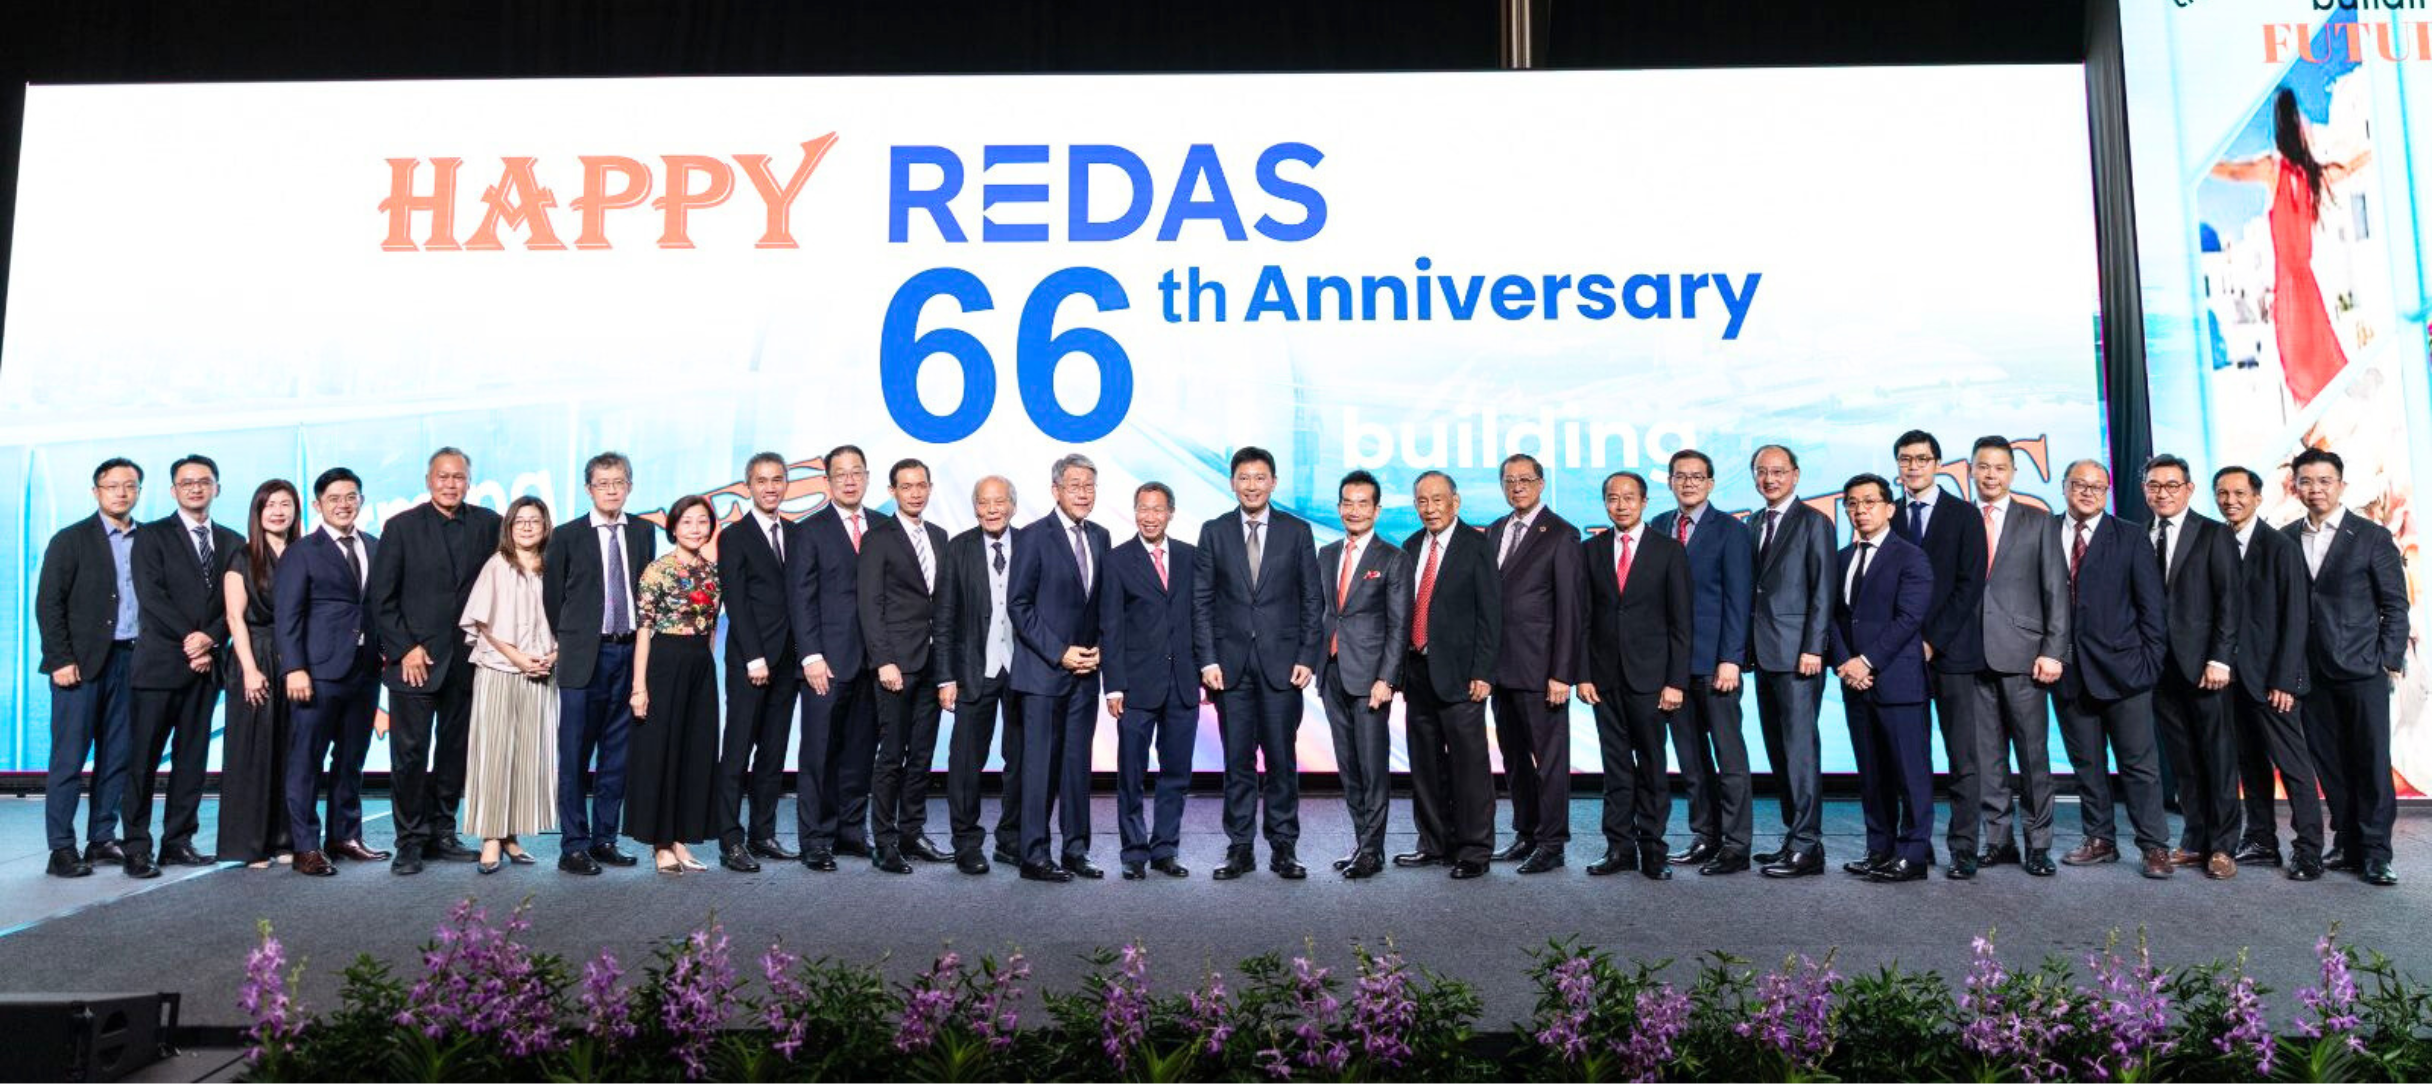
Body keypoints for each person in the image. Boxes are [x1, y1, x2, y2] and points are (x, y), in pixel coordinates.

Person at [366, 447, 503, 873]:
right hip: (415, 661)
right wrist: (404, 648)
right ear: (428, 481)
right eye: (442, 476)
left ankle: (443, 831)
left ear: (469, 481)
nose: (450, 484)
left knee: (454, 753)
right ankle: (410, 840)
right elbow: (381, 598)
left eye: (458, 477)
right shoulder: (401, 527)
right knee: (409, 755)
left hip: (468, 660)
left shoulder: (490, 524)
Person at [1193, 446, 1324, 881]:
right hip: (1229, 668)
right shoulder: (1214, 531)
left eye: (1260, 477)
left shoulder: (1297, 531)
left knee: (1282, 760)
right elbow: (1201, 601)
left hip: (1283, 666)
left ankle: (1284, 848)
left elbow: (1312, 599)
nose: (1252, 485)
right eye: (1244, 478)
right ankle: (1240, 848)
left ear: (1274, 482)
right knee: (1238, 762)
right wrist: (1207, 660)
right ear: (1233, 483)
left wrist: (1307, 656)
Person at [2285, 448, 2409, 886]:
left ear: (2341, 485)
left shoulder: (2371, 536)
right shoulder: (2285, 537)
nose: (2315, 489)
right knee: (2330, 762)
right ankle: (2348, 842)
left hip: (2363, 669)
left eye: (2324, 481)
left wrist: (2387, 661)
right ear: (2295, 487)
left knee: (2371, 762)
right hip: (2310, 671)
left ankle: (2376, 852)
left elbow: (2395, 605)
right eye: (2306, 481)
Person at [2208, 87, 2375, 408]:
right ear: (2293, 126)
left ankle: (2329, 415)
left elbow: (2350, 167)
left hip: (2304, 284)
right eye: (2301, 120)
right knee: (2303, 368)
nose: (2308, 126)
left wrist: (2378, 145)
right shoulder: (2274, 170)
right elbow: (2233, 171)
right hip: (2289, 286)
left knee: (2319, 366)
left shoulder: (2311, 175)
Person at [2050, 459, 2174, 879]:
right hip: (2069, 671)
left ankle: (2154, 846)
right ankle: (2099, 839)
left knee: (2139, 766)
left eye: (2097, 486)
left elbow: (2152, 608)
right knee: (2087, 764)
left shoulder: (2131, 536)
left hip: (2126, 672)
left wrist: (2149, 664)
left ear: (2107, 492)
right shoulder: (2045, 532)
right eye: (2079, 484)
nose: (2088, 492)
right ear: (2064, 486)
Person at [124, 453, 242, 877]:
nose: (196, 488)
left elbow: (235, 604)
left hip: (206, 668)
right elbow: (151, 596)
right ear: (174, 490)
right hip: (159, 666)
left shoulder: (232, 541)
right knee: (142, 761)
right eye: (187, 482)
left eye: (204, 481)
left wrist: (211, 638)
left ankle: (178, 841)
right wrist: (192, 640)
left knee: (192, 760)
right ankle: (136, 846)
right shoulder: (151, 536)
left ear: (217, 488)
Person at [543, 451, 654, 875]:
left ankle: (605, 839)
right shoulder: (566, 536)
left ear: (630, 486)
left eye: (618, 482)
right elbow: (553, 599)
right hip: (583, 658)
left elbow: (644, 593)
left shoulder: (643, 531)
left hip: (629, 653)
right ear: (589, 489)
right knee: (574, 754)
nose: (611, 490)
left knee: (617, 755)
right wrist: (574, 641)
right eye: (603, 483)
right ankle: (573, 845)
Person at [1576, 471, 1690, 880]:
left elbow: (1681, 623)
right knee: (1615, 767)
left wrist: (1675, 682)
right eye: (1612, 498)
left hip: (1652, 680)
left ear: (1644, 502)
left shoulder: (1668, 551)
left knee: (1653, 767)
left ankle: (1654, 850)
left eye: (1628, 497)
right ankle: (1619, 848)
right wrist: (1582, 674)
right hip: (1604, 679)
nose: (1620, 505)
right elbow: (1583, 618)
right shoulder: (1590, 551)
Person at [2213, 466, 2324, 880]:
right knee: (2250, 763)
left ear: (2257, 498)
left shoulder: (2280, 546)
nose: (2231, 501)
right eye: (2223, 493)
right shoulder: (2217, 541)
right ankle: (2260, 839)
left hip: (2273, 680)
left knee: (2293, 766)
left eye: (2239, 493)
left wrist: (2285, 679)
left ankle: (2309, 849)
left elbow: (2296, 617)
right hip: (2230, 680)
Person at [34, 458, 144, 878]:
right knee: (69, 758)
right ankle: (61, 847)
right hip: (79, 666)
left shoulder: (148, 540)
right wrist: (60, 659)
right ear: (95, 491)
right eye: (112, 485)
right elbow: (49, 604)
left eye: (129, 485)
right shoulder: (71, 539)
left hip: (132, 660)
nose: (121, 492)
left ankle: (101, 838)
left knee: (118, 756)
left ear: (138, 491)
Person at [278, 468, 389, 876]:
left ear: (361, 500)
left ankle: (345, 835)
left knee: (351, 758)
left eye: (351, 497)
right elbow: (288, 615)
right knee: (306, 759)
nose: (344, 505)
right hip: (318, 671)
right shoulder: (302, 551)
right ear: (317, 504)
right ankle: (306, 845)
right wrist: (295, 668)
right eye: (334, 498)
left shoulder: (375, 546)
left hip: (366, 670)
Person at [1648, 449, 1754, 875]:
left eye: (1697, 476)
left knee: (1730, 760)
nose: (1688, 483)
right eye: (1680, 476)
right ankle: (1705, 836)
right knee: (1691, 762)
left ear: (1710, 483)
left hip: (1716, 665)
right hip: (1673, 668)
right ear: (1670, 482)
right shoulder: (1658, 526)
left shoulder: (1731, 530)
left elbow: (1739, 599)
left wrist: (1731, 658)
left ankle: (1736, 845)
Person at [1966, 436, 2069, 878]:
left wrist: (2053, 650)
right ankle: (1998, 840)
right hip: (1971, 657)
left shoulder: (2038, 520)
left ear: (2012, 472)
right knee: (1986, 757)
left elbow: (2056, 590)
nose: (1991, 475)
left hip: (2026, 656)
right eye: (1983, 466)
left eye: (1999, 468)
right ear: (1971, 469)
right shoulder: (1961, 520)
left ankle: (2039, 845)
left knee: (2032, 757)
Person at [1889, 430, 1989, 878]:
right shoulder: (1887, 514)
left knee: (1962, 756)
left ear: (1938, 464)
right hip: (1898, 654)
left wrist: (1931, 640)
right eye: (1905, 459)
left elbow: (1970, 585)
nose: (1913, 467)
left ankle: (1964, 847)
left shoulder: (1964, 515)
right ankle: (1915, 843)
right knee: (1908, 755)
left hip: (1952, 653)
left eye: (1922, 459)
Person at [1007, 453, 1110, 883]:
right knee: (1039, 769)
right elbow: (1019, 605)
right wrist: (1060, 652)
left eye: (1089, 485)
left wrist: (1101, 649)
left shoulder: (1101, 536)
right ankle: (1033, 855)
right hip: (1042, 675)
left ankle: (1075, 850)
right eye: (1074, 486)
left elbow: (1102, 603)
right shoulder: (1033, 536)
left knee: (1076, 767)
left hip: (1086, 675)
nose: (1083, 493)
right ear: (1056, 490)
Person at [1830, 474, 1937, 883]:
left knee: (1911, 774)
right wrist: (1845, 662)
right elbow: (1834, 617)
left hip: (1898, 683)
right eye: (1852, 503)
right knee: (1872, 775)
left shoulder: (1911, 557)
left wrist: (1866, 661)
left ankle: (1913, 855)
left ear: (1890, 508)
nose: (1860, 510)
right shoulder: (1841, 557)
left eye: (1870, 501)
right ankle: (1879, 849)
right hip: (1855, 684)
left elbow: (1909, 619)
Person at [2140, 454, 2243, 879]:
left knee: (2217, 757)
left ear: (2189, 489)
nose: (2162, 493)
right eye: (2154, 485)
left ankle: (2222, 847)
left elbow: (2230, 601)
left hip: (2205, 666)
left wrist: (2220, 658)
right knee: (2182, 759)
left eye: (2171, 485)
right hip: (2158, 668)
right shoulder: (2138, 533)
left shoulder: (2214, 533)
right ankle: (2195, 839)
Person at [1396, 470, 1502, 880]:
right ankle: (1434, 843)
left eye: (1438, 500)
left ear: (1455, 502)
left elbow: (1491, 615)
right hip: (1418, 672)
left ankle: (1474, 850)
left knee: (1469, 767)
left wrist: (1484, 671)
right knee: (1425, 765)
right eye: (1422, 501)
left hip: (1462, 676)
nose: (1430, 508)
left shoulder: (1477, 546)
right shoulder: (1410, 546)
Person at [1484, 453, 1584, 874]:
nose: (1518, 487)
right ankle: (1525, 833)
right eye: (1510, 480)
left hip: (1542, 671)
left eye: (1525, 479)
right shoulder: (1494, 530)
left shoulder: (1562, 533)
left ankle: (1552, 842)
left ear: (1541, 484)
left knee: (1550, 761)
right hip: (1499, 668)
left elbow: (1571, 610)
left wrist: (1562, 672)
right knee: (1514, 759)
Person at [1100, 482, 1201, 880]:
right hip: (1135, 687)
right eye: (1143, 508)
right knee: (1131, 774)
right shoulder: (1116, 560)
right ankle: (1133, 852)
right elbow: (1110, 627)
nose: (1150, 517)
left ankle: (1165, 850)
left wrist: (1204, 671)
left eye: (1158, 509)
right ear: (1134, 512)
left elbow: (1200, 617)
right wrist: (1114, 685)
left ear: (1171, 513)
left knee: (1176, 773)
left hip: (1183, 684)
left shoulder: (1191, 557)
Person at [860, 458, 954, 874]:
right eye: (906, 486)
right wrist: (884, 661)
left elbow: (943, 606)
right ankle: (884, 842)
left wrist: (948, 669)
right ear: (892, 491)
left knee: (922, 755)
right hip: (896, 665)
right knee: (891, 756)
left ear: (929, 488)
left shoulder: (939, 536)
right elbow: (870, 605)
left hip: (933, 663)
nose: (915, 492)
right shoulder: (878, 537)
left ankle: (912, 833)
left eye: (921, 485)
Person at [1746, 445, 1837, 879]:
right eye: (1762, 471)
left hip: (1799, 654)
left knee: (1800, 752)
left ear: (1796, 475)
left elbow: (1824, 590)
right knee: (1779, 751)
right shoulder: (1752, 523)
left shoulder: (1815, 522)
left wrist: (1814, 648)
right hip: (1764, 654)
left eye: (1778, 471)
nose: (1770, 479)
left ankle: (1808, 845)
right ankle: (1792, 836)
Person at [1316, 471, 1410, 880]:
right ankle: (1362, 844)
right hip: (1332, 672)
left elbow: (1399, 625)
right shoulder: (1326, 554)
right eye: (1347, 503)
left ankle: (1372, 851)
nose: (1354, 510)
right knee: (1348, 767)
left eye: (1362, 503)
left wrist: (1386, 679)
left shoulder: (1392, 558)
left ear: (1377, 509)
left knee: (1372, 769)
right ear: (1339, 507)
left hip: (1371, 679)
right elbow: (1324, 613)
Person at [789, 444, 878, 871]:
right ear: (827, 481)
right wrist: (811, 656)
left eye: (856, 472)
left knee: (860, 751)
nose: (849, 480)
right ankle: (816, 839)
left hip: (874, 662)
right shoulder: (809, 530)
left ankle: (850, 831)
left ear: (867, 477)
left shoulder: (883, 526)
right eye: (840, 473)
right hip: (826, 661)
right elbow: (800, 598)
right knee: (819, 753)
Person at [459, 496, 559, 874]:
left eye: (535, 520)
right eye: (520, 521)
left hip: (543, 670)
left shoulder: (554, 566)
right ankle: (490, 837)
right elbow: (482, 623)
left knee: (527, 757)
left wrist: (554, 655)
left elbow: (572, 617)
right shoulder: (497, 565)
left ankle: (511, 836)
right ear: (509, 527)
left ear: (546, 526)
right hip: (500, 668)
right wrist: (517, 658)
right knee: (494, 755)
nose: (528, 527)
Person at [626, 495, 723, 875]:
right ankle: (661, 843)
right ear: (673, 528)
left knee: (694, 751)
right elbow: (644, 631)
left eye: (702, 521)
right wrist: (639, 687)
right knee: (662, 752)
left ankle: (681, 838)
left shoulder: (713, 572)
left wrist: (707, 667)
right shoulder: (657, 571)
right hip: (664, 663)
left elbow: (711, 628)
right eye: (687, 522)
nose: (695, 529)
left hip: (701, 666)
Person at [934, 476, 1025, 874]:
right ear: (975, 507)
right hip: (973, 669)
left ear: (1012, 506)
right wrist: (945, 677)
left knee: (1021, 759)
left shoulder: (1031, 544)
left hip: (1022, 670)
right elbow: (944, 617)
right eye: (984, 502)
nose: (992, 509)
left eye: (999, 501)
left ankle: (1012, 839)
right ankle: (967, 844)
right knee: (966, 762)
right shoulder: (958, 548)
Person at [714, 452, 800, 873]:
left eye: (777, 479)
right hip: (751, 660)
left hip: (789, 660)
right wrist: (754, 657)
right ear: (748, 487)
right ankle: (730, 840)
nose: (770, 487)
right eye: (762, 481)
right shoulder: (734, 536)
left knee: (773, 751)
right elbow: (736, 601)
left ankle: (762, 834)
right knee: (737, 752)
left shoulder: (796, 532)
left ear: (786, 484)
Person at [217, 480, 303, 868]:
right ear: (258, 511)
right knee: (252, 752)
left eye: (286, 504)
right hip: (255, 655)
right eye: (271, 505)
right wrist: (250, 670)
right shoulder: (242, 556)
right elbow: (234, 618)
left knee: (290, 749)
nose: (278, 512)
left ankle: (284, 839)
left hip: (295, 657)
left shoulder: (304, 553)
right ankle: (249, 845)